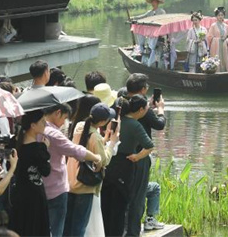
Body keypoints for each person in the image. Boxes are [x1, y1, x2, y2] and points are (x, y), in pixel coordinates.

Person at [41, 103, 103, 237]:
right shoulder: (53, 133)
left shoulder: (34, 130)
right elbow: (76, 150)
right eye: (64, 118)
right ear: (57, 113)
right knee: (57, 230)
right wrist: (96, 157)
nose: (64, 122)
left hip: (40, 188)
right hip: (56, 189)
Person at [65, 101, 120, 237]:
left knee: (68, 225)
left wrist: (105, 139)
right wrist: (112, 142)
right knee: (79, 226)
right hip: (84, 185)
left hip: (70, 181)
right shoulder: (94, 136)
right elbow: (103, 160)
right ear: (102, 122)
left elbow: (87, 144)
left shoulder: (80, 126)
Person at [102, 95, 154, 237]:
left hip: (108, 163)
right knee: (121, 206)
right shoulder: (135, 125)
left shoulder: (111, 122)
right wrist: (137, 157)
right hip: (125, 165)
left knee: (106, 204)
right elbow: (149, 146)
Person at [125, 74, 165, 235]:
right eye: (146, 87)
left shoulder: (122, 100)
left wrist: (147, 106)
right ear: (142, 90)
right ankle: (134, 230)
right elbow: (159, 125)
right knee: (138, 195)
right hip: (139, 155)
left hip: (121, 155)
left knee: (126, 193)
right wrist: (160, 110)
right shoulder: (143, 113)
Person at [8, 110, 51, 237]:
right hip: (35, 195)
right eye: (42, 121)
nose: (45, 124)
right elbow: (46, 171)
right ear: (33, 125)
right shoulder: (38, 148)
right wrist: (45, 148)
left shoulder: (16, 144)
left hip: (19, 192)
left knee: (20, 227)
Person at [133, 0, 166, 66]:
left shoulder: (162, 12)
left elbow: (164, 21)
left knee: (158, 50)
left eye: (155, 2)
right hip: (151, 34)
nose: (153, 3)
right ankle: (150, 62)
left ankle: (158, 63)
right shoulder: (150, 12)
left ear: (157, 3)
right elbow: (142, 17)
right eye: (152, 2)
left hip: (159, 34)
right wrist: (133, 18)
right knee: (150, 48)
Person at [207, 7, 228, 72]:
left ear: (224, 16)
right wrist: (217, 39)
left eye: (222, 15)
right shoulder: (213, 26)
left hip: (224, 45)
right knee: (217, 57)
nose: (220, 17)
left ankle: (226, 70)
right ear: (216, 16)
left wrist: (227, 39)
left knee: (225, 58)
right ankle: (216, 70)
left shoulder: (226, 26)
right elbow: (209, 37)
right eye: (219, 15)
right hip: (216, 46)